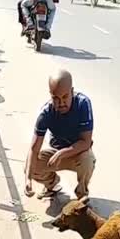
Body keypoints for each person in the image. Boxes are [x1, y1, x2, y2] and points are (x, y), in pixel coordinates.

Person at [24, 69, 96, 200]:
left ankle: (81, 196)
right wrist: (28, 179)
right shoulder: (46, 113)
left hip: (78, 152)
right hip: (55, 152)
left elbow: (85, 142)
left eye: (65, 97)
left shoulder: (83, 104)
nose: (61, 103)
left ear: (72, 91)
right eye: (56, 98)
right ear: (50, 95)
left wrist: (62, 153)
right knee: (31, 166)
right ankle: (52, 184)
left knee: (88, 161)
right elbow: (34, 149)